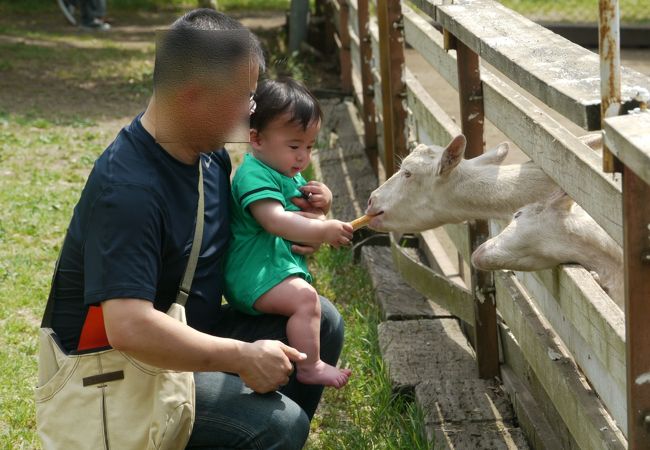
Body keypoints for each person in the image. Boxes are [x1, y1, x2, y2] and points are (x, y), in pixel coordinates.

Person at [45, 8, 345, 449]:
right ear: (193, 95)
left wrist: (287, 237)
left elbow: (218, 250)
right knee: (276, 426)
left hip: (186, 338)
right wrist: (241, 356)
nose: (253, 109)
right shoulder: (127, 189)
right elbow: (129, 328)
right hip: (119, 371)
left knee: (325, 321)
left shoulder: (209, 156)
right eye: (246, 96)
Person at [225, 77, 353, 388]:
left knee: (310, 304)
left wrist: (324, 203)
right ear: (256, 139)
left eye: (309, 147)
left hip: (269, 269)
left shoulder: (283, 171)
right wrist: (323, 230)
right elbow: (275, 220)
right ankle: (310, 367)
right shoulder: (254, 174)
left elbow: (303, 215)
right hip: (252, 274)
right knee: (306, 300)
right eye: (294, 146)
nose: (303, 157)